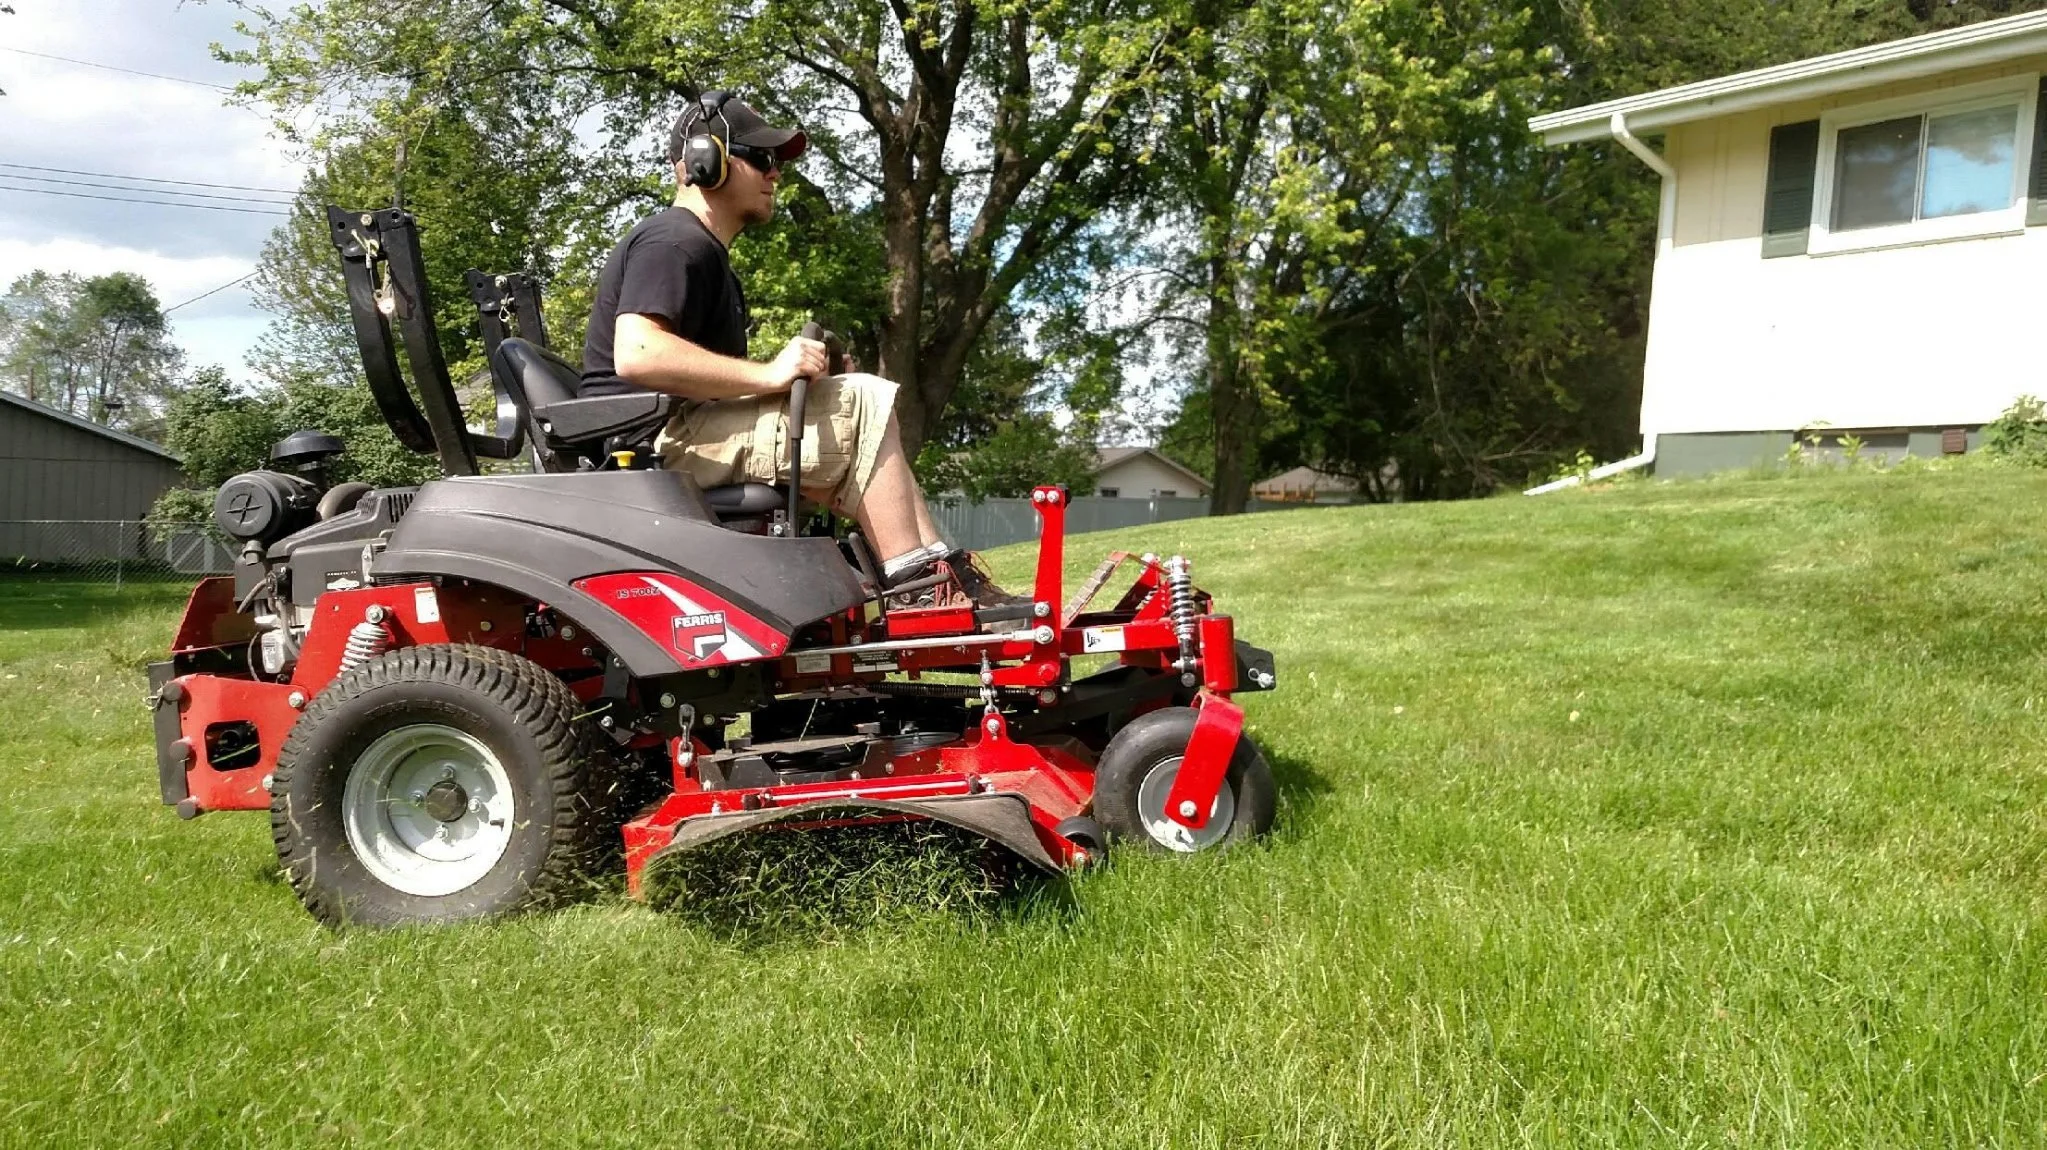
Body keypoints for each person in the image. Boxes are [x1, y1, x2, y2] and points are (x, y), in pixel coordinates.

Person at [577, 91, 1015, 604]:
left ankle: (945, 579)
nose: (774, 173)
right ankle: (918, 592)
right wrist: (770, 375)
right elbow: (638, 353)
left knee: (857, 413)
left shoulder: (703, 253)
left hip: (676, 432)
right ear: (708, 161)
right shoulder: (674, 240)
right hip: (647, 447)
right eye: (761, 158)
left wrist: (812, 383)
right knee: (863, 400)